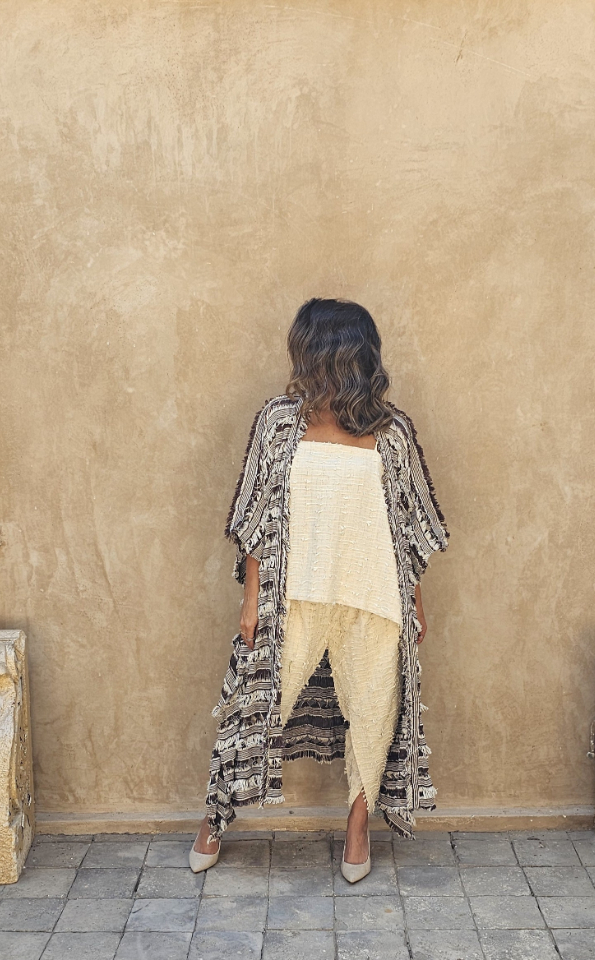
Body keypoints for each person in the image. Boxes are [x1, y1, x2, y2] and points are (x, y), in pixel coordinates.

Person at [190, 298, 449, 882]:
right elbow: (255, 513)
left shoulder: (392, 432)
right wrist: (252, 596)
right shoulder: (279, 422)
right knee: (254, 707)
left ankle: (358, 828)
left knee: (374, 715)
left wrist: (414, 603)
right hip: (294, 598)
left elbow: (407, 527)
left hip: (374, 600)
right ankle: (214, 818)